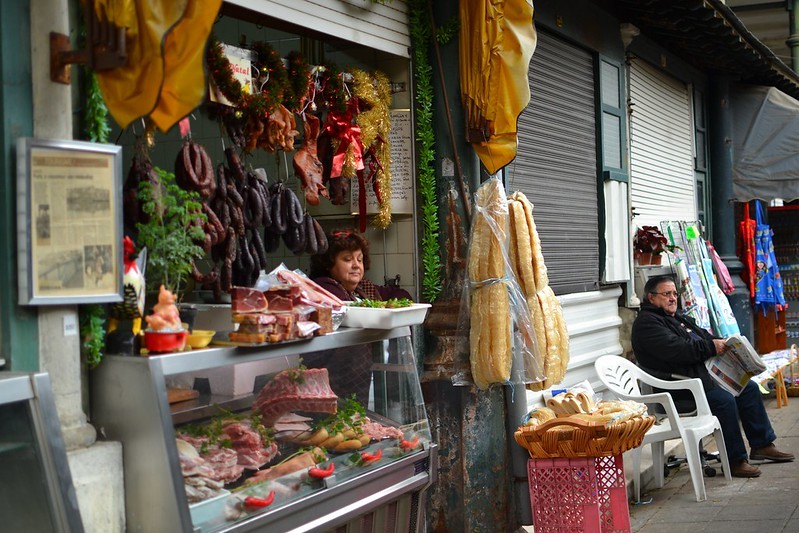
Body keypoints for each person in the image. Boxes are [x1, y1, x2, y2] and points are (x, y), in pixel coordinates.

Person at [631, 274, 794, 478]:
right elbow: (678, 350)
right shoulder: (647, 324)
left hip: (700, 379)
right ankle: (735, 460)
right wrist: (710, 347)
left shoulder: (674, 317)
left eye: (674, 293)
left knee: (748, 387)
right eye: (666, 294)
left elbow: (704, 338)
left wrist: (725, 344)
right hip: (677, 389)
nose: (673, 298)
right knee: (724, 400)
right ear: (651, 298)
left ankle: (762, 444)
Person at [305, 229, 413, 406]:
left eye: (359, 259)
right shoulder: (323, 288)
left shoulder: (362, 289)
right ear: (328, 264)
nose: (356, 265)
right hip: (332, 383)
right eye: (347, 259)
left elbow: (399, 294)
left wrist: (394, 304)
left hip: (366, 378)